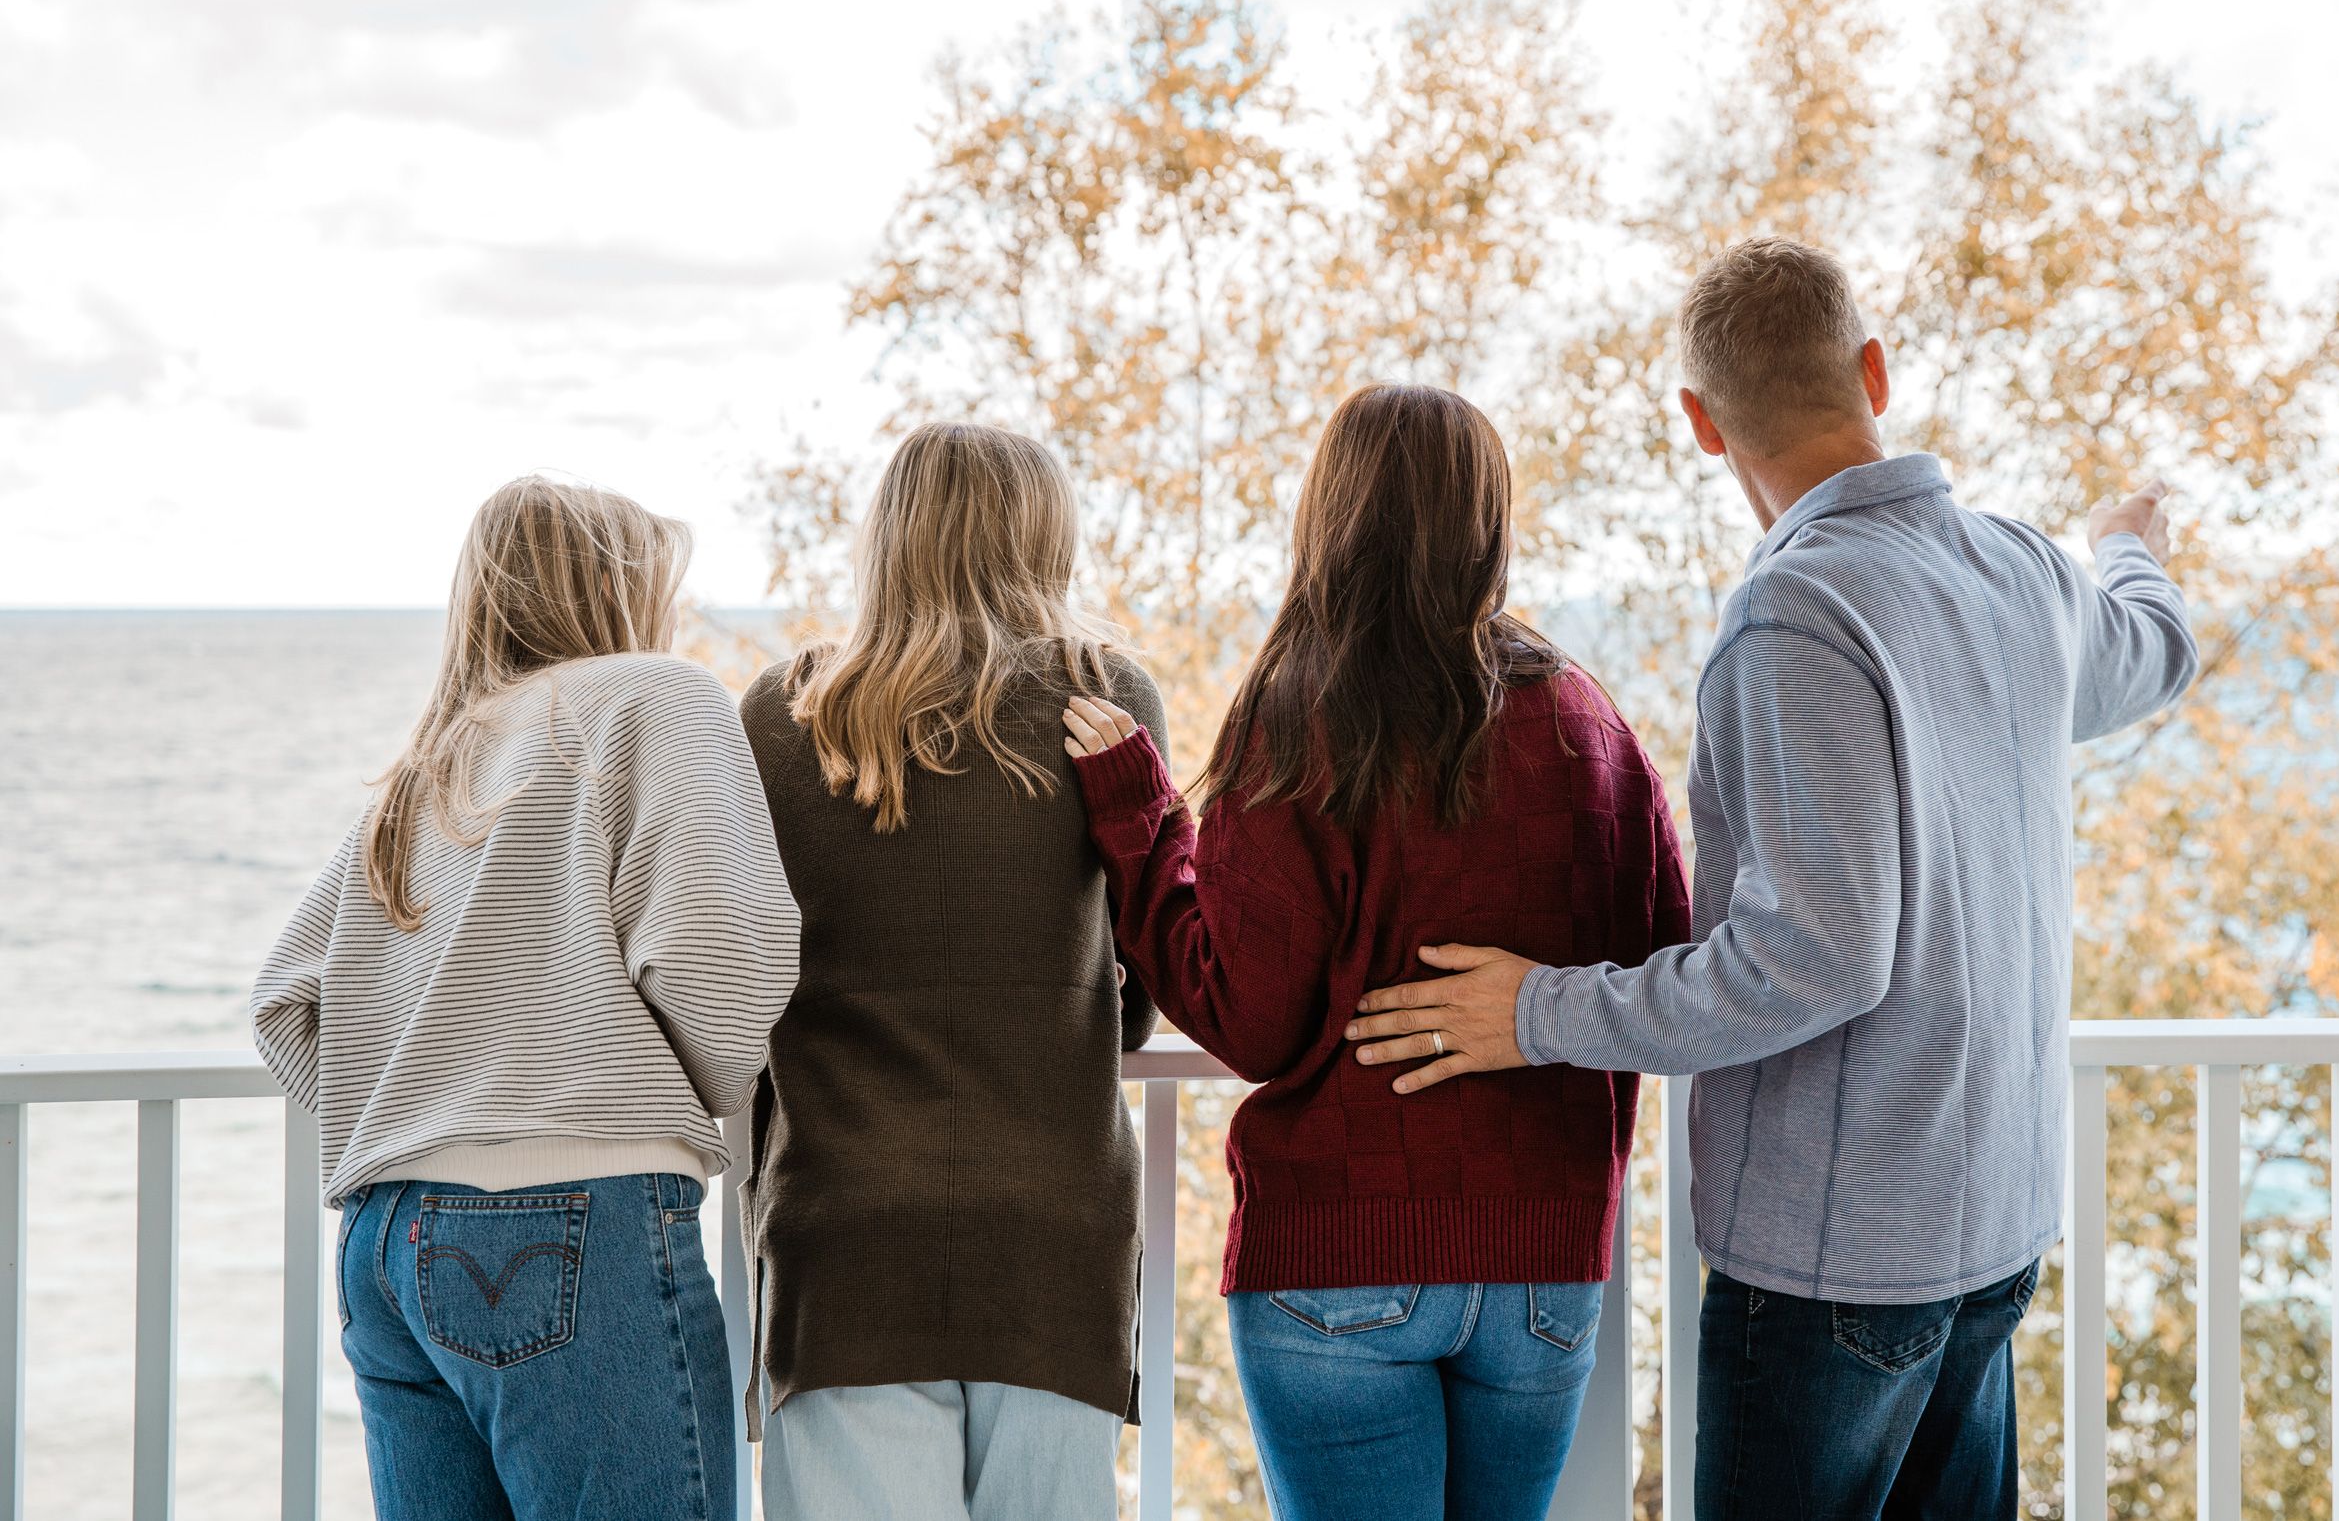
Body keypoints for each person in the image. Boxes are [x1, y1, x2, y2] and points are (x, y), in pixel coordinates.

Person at [1344, 238, 2199, 1520]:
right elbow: (2157, 646)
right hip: (1995, 1237)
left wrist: (1534, 1012)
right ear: (1873, 369)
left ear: (1699, 423)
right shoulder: (2024, 571)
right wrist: (2123, 547)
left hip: (1835, 1267)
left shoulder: (1795, 614)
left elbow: (1812, 956)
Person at [1058, 383, 1689, 1521]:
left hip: (1338, 1260)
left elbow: (1247, 1016)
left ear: (1330, 515)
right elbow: (1669, 969)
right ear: (1488, 519)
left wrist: (1140, 822)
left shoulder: (1302, 715)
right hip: (1545, 1266)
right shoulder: (1588, 724)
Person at [250, 475, 800, 1521]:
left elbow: (287, 998)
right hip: (571, 1221)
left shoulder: (434, 758)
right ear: (614, 588)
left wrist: (427, 1111)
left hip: (384, 1245)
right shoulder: (653, 694)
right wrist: (696, 1087)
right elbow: (722, 960)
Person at [737, 421, 1167, 1521]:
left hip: (842, 1240)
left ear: (887, 536)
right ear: (1048, 537)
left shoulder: (783, 716)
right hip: (1051, 1238)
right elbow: (1147, 976)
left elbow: (736, 970)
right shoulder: (1104, 695)